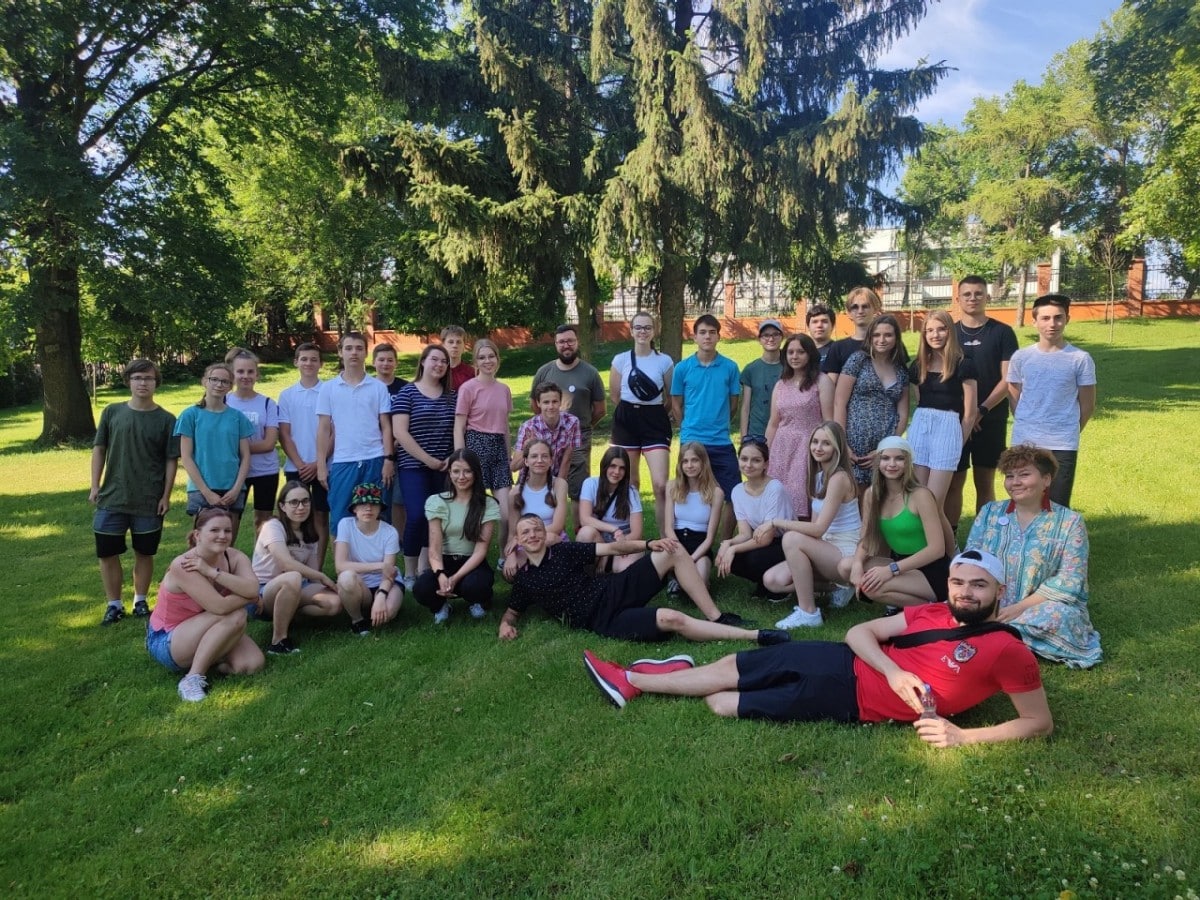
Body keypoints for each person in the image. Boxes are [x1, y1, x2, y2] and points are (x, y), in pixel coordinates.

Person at [581, 550, 1054, 752]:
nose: (965, 592)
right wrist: (892, 671)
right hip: (839, 659)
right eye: (958, 582)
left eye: (978, 585)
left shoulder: (1006, 650)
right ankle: (632, 681)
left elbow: (1039, 722)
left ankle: (667, 671)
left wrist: (964, 737)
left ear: (999, 590)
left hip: (850, 702)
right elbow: (859, 633)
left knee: (721, 703)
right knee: (731, 666)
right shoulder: (933, 612)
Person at [500, 514, 779, 641]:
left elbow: (612, 548)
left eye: (537, 529)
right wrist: (504, 626)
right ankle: (755, 636)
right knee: (672, 618)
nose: (533, 535)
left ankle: (717, 617)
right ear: (518, 541)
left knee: (672, 548)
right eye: (526, 532)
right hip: (601, 620)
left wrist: (648, 544)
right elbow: (511, 613)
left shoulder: (564, 551)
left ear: (545, 533)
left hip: (613, 589)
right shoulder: (525, 580)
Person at [967, 444, 1101, 668]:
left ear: (1046, 480)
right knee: (955, 606)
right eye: (1010, 476)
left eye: (1024, 474)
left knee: (1059, 616)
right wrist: (989, 603)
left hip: (1039, 607)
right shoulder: (989, 512)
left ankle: (990, 633)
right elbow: (971, 560)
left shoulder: (1070, 522)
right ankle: (1001, 634)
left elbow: (1071, 579)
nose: (1015, 482)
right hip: (992, 601)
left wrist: (1019, 608)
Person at [91, 359, 180, 625]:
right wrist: (95, 485)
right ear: (128, 381)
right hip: (112, 497)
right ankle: (114, 605)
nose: (143, 383)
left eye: (149, 378)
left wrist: (166, 495)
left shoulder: (166, 420)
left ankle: (140, 601)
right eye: (138, 378)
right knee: (107, 552)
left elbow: (171, 460)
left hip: (149, 499)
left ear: (156, 383)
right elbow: (99, 449)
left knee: (145, 552)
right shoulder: (112, 412)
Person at [146, 508, 264, 703]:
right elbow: (220, 607)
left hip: (208, 627)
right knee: (236, 615)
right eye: (214, 530)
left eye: (227, 530)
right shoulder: (184, 564)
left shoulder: (234, 557)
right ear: (197, 535)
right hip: (168, 640)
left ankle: (211, 656)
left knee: (252, 664)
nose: (222, 536)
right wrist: (249, 597)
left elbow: (253, 587)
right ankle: (192, 678)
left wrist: (211, 572)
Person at [764, 422, 862, 629]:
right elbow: (816, 530)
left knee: (791, 538)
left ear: (837, 447)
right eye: (815, 442)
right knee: (772, 580)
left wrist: (775, 522)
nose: (818, 447)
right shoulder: (819, 477)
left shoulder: (840, 478)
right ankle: (837, 588)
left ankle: (808, 612)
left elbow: (819, 529)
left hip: (845, 552)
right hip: (826, 548)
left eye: (826, 443)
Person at [838, 437, 954, 608]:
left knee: (871, 589)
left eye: (899, 458)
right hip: (900, 561)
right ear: (878, 462)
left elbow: (937, 549)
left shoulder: (920, 495)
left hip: (931, 568)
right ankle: (912, 601)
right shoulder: (872, 494)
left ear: (908, 463)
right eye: (885, 458)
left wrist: (891, 570)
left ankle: (936, 607)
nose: (892, 464)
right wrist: (857, 564)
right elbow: (867, 537)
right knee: (845, 566)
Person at [1007, 293, 1097, 507]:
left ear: (1067, 319)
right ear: (1034, 321)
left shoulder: (1080, 359)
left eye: (1058, 317)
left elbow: (1087, 404)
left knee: (1057, 504)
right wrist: (1026, 421)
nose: (1052, 324)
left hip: (1062, 443)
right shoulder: (1021, 357)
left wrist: (1069, 429)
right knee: (1023, 501)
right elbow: (1013, 394)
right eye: (1045, 318)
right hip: (1025, 441)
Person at [947, 276, 1018, 531]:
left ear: (987, 297)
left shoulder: (1002, 332)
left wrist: (981, 410)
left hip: (991, 418)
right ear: (958, 299)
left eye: (978, 293)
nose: (973, 298)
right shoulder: (949, 333)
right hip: (955, 420)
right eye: (967, 294)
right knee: (954, 482)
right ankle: (950, 540)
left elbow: (1008, 378)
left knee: (985, 482)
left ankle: (985, 538)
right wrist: (967, 413)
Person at [250, 480, 341, 654]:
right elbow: (286, 563)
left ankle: (289, 614)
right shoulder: (273, 526)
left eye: (305, 501)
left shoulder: (310, 532)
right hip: (261, 593)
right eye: (294, 502)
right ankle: (278, 642)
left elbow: (313, 576)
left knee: (334, 603)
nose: (301, 507)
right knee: (293, 576)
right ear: (282, 506)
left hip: (297, 587)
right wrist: (323, 577)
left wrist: (332, 588)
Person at [670, 314, 742, 534]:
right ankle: (689, 537)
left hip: (721, 441)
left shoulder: (730, 367)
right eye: (702, 332)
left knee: (735, 494)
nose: (707, 337)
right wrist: (687, 429)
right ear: (694, 337)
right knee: (688, 493)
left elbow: (733, 405)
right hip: (692, 441)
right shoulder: (682, 368)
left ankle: (725, 541)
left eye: (712, 332)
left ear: (719, 336)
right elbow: (676, 404)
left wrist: (718, 424)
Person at [393, 344, 457, 587]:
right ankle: (409, 572)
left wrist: (452, 457)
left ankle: (425, 567)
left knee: (437, 518)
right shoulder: (407, 393)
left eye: (444, 361)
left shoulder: (452, 396)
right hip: (413, 466)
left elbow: (458, 430)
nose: (439, 365)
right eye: (435, 360)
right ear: (423, 362)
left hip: (444, 467)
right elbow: (400, 432)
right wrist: (427, 459)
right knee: (417, 515)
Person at [315, 332, 394, 528]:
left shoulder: (378, 387)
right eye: (348, 348)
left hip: (375, 460)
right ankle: (342, 551)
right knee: (340, 521)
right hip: (343, 461)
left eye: (359, 348)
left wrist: (388, 460)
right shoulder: (328, 388)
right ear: (340, 352)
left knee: (376, 519)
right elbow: (323, 429)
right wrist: (321, 465)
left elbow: (386, 426)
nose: (354, 353)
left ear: (366, 353)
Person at [414, 449, 500, 624]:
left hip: (473, 562)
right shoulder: (436, 502)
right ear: (449, 473)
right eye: (456, 471)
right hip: (444, 561)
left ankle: (478, 601)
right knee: (421, 588)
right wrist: (441, 574)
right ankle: (440, 606)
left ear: (476, 473)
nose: (461, 477)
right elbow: (434, 549)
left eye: (467, 471)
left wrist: (456, 577)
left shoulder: (488, 504)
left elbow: (480, 551)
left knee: (475, 586)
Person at [609, 311, 674, 534]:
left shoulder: (664, 361)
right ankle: (631, 537)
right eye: (638, 327)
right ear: (631, 331)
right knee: (630, 483)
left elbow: (670, 396)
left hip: (654, 421)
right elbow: (615, 395)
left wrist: (656, 413)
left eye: (647, 327)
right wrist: (632, 411)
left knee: (661, 485)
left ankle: (665, 538)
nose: (643, 331)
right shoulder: (620, 360)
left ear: (655, 331)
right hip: (626, 421)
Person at [907, 311, 977, 510]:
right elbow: (919, 400)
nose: (935, 335)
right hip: (921, 428)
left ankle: (946, 534)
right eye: (929, 330)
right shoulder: (919, 365)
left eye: (941, 329)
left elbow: (970, 414)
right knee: (918, 498)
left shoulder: (963, 364)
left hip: (948, 430)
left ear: (950, 331)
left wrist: (957, 443)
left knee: (934, 502)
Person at [834, 314, 910, 489]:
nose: (881, 340)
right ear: (870, 337)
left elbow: (903, 412)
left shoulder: (900, 369)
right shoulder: (858, 360)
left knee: (882, 496)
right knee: (854, 494)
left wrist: (888, 447)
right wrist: (843, 444)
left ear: (896, 338)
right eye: (876, 335)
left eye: (888, 335)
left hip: (885, 450)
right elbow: (839, 403)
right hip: (854, 448)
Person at [533, 324, 607, 502]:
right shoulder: (544, 372)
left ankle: (580, 520)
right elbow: (535, 405)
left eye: (570, 341)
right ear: (556, 344)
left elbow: (600, 410)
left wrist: (582, 428)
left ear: (577, 342)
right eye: (561, 342)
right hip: (547, 436)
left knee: (579, 490)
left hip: (579, 438)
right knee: (545, 485)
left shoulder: (590, 373)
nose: (566, 345)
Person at [175, 361, 253, 528]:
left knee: (228, 540)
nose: (219, 384)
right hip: (201, 488)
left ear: (230, 386)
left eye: (225, 381)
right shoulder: (190, 415)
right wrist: (206, 492)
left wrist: (236, 489)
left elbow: (246, 457)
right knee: (202, 540)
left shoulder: (238, 417)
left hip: (232, 489)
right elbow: (186, 457)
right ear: (204, 382)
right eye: (214, 379)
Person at [714, 437, 793, 599]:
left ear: (766, 464)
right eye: (744, 459)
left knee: (754, 559)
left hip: (787, 543)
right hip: (761, 539)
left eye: (756, 460)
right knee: (734, 560)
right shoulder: (737, 491)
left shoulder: (774, 488)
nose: (748, 465)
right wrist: (727, 543)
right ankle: (766, 583)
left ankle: (781, 585)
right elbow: (745, 534)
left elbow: (767, 538)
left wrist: (733, 549)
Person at [765, 333, 833, 517]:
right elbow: (773, 423)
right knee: (777, 496)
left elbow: (829, 421)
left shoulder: (822, 381)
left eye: (800, 352)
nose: (794, 356)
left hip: (808, 447)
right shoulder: (781, 384)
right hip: (781, 447)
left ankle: (802, 531)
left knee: (801, 496)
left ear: (810, 354)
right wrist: (766, 452)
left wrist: (827, 450)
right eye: (790, 352)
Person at [453, 338, 513, 547]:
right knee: (473, 510)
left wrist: (508, 456)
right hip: (475, 447)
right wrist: (460, 459)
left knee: (506, 512)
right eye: (482, 357)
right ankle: (470, 553)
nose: (487, 361)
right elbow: (459, 426)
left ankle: (505, 555)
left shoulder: (504, 389)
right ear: (475, 362)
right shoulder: (468, 388)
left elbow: (505, 425)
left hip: (499, 450)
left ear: (497, 359)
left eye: (491, 356)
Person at [278, 342, 331, 567]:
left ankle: (317, 566)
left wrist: (318, 463)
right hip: (295, 467)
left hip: (324, 466)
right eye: (304, 359)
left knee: (320, 515)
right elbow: (284, 433)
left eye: (314, 359)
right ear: (296, 362)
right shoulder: (287, 395)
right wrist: (301, 464)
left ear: (321, 364)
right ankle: (296, 564)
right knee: (295, 517)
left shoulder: (329, 391)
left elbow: (334, 431)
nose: (309, 363)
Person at [224, 348, 281, 539]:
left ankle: (260, 558)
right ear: (232, 374)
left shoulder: (267, 403)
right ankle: (226, 557)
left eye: (250, 371)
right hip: (234, 471)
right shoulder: (224, 401)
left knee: (263, 521)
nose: (245, 376)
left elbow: (269, 443)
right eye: (240, 371)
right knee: (230, 519)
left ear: (257, 374)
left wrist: (235, 449)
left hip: (265, 470)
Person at [334, 483, 403, 636]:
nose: (368, 508)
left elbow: (389, 572)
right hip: (359, 583)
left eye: (374, 504)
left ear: (380, 508)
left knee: (388, 614)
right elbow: (340, 565)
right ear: (354, 509)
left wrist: (381, 594)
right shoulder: (345, 525)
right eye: (362, 504)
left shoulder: (390, 532)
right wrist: (380, 565)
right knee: (346, 577)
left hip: (385, 581)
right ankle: (357, 620)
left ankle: (377, 605)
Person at [662, 442, 724, 596]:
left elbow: (710, 538)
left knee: (699, 584)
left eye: (695, 460)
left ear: (704, 462)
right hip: (676, 542)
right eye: (685, 461)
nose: (689, 465)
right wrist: (680, 554)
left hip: (700, 546)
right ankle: (676, 577)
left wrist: (690, 559)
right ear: (680, 464)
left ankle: (685, 580)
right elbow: (668, 528)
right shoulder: (672, 486)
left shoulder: (716, 492)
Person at [505, 439, 571, 575]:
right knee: (511, 573)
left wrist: (525, 536)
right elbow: (512, 533)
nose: (539, 460)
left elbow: (557, 526)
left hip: (552, 539)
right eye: (534, 456)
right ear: (526, 461)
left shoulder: (559, 485)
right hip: (526, 542)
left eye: (544, 456)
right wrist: (510, 556)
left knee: (551, 539)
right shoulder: (515, 493)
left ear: (551, 461)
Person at [576, 446, 644, 573]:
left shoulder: (631, 492)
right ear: (605, 466)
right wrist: (614, 529)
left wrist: (613, 547)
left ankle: (612, 567)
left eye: (622, 468)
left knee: (622, 568)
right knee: (585, 533)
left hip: (624, 540)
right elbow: (585, 519)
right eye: (613, 466)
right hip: (599, 539)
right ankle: (587, 576)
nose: (617, 472)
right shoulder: (590, 484)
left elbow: (637, 533)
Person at [511, 381, 581, 487]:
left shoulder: (572, 422)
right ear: (538, 403)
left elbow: (567, 459)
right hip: (529, 482)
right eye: (546, 402)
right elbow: (514, 467)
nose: (551, 406)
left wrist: (558, 486)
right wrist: (528, 448)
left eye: (555, 401)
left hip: (556, 478)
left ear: (560, 402)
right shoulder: (528, 427)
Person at [372, 342, 409, 537]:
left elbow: (411, 420)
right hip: (374, 450)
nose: (385, 363)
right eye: (381, 360)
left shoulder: (405, 388)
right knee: (378, 496)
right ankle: (378, 536)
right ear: (373, 362)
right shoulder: (368, 387)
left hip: (401, 450)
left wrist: (395, 443)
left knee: (398, 498)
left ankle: (399, 538)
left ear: (396, 363)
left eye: (389, 360)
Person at [821, 286, 883, 386]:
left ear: (875, 309)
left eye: (865, 306)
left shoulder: (889, 343)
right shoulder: (838, 348)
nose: (860, 311)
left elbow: (901, 382)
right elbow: (830, 386)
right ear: (849, 313)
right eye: (855, 307)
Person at [739, 318, 784, 440]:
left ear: (782, 337)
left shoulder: (790, 367)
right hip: (757, 432)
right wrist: (744, 437)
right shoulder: (751, 369)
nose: (771, 339)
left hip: (783, 432)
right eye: (766, 335)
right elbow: (745, 407)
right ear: (759, 339)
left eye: (775, 334)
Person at [441, 325, 476, 392]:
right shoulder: (437, 370)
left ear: (464, 346)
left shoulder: (472, 373)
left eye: (459, 342)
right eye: (451, 342)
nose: (455, 345)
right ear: (443, 345)